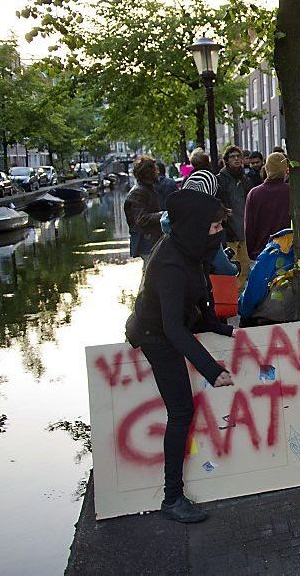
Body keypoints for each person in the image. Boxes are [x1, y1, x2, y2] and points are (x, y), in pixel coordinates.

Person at [124, 188, 235, 523]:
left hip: (172, 325)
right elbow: (172, 328)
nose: (219, 233)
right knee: (181, 411)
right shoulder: (170, 264)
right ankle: (171, 498)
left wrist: (216, 325)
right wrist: (210, 370)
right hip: (154, 336)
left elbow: (200, 292)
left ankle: (173, 497)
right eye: (214, 227)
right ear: (195, 227)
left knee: (183, 410)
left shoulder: (188, 249)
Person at [216, 146, 255, 289]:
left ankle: (239, 296)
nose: (237, 159)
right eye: (232, 157)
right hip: (229, 230)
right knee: (233, 266)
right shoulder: (220, 180)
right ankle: (233, 296)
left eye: (239, 156)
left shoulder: (245, 179)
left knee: (245, 265)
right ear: (226, 160)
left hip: (244, 229)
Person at [244, 152, 291, 260]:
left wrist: (251, 252)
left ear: (267, 168)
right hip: (288, 251)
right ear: (285, 170)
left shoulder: (254, 194)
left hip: (261, 252)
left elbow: (249, 227)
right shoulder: (292, 192)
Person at [124, 156, 163, 258]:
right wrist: (163, 215)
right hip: (146, 242)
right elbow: (141, 219)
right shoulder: (138, 192)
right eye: (154, 169)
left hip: (150, 241)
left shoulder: (147, 189)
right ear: (148, 172)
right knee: (151, 272)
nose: (157, 172)